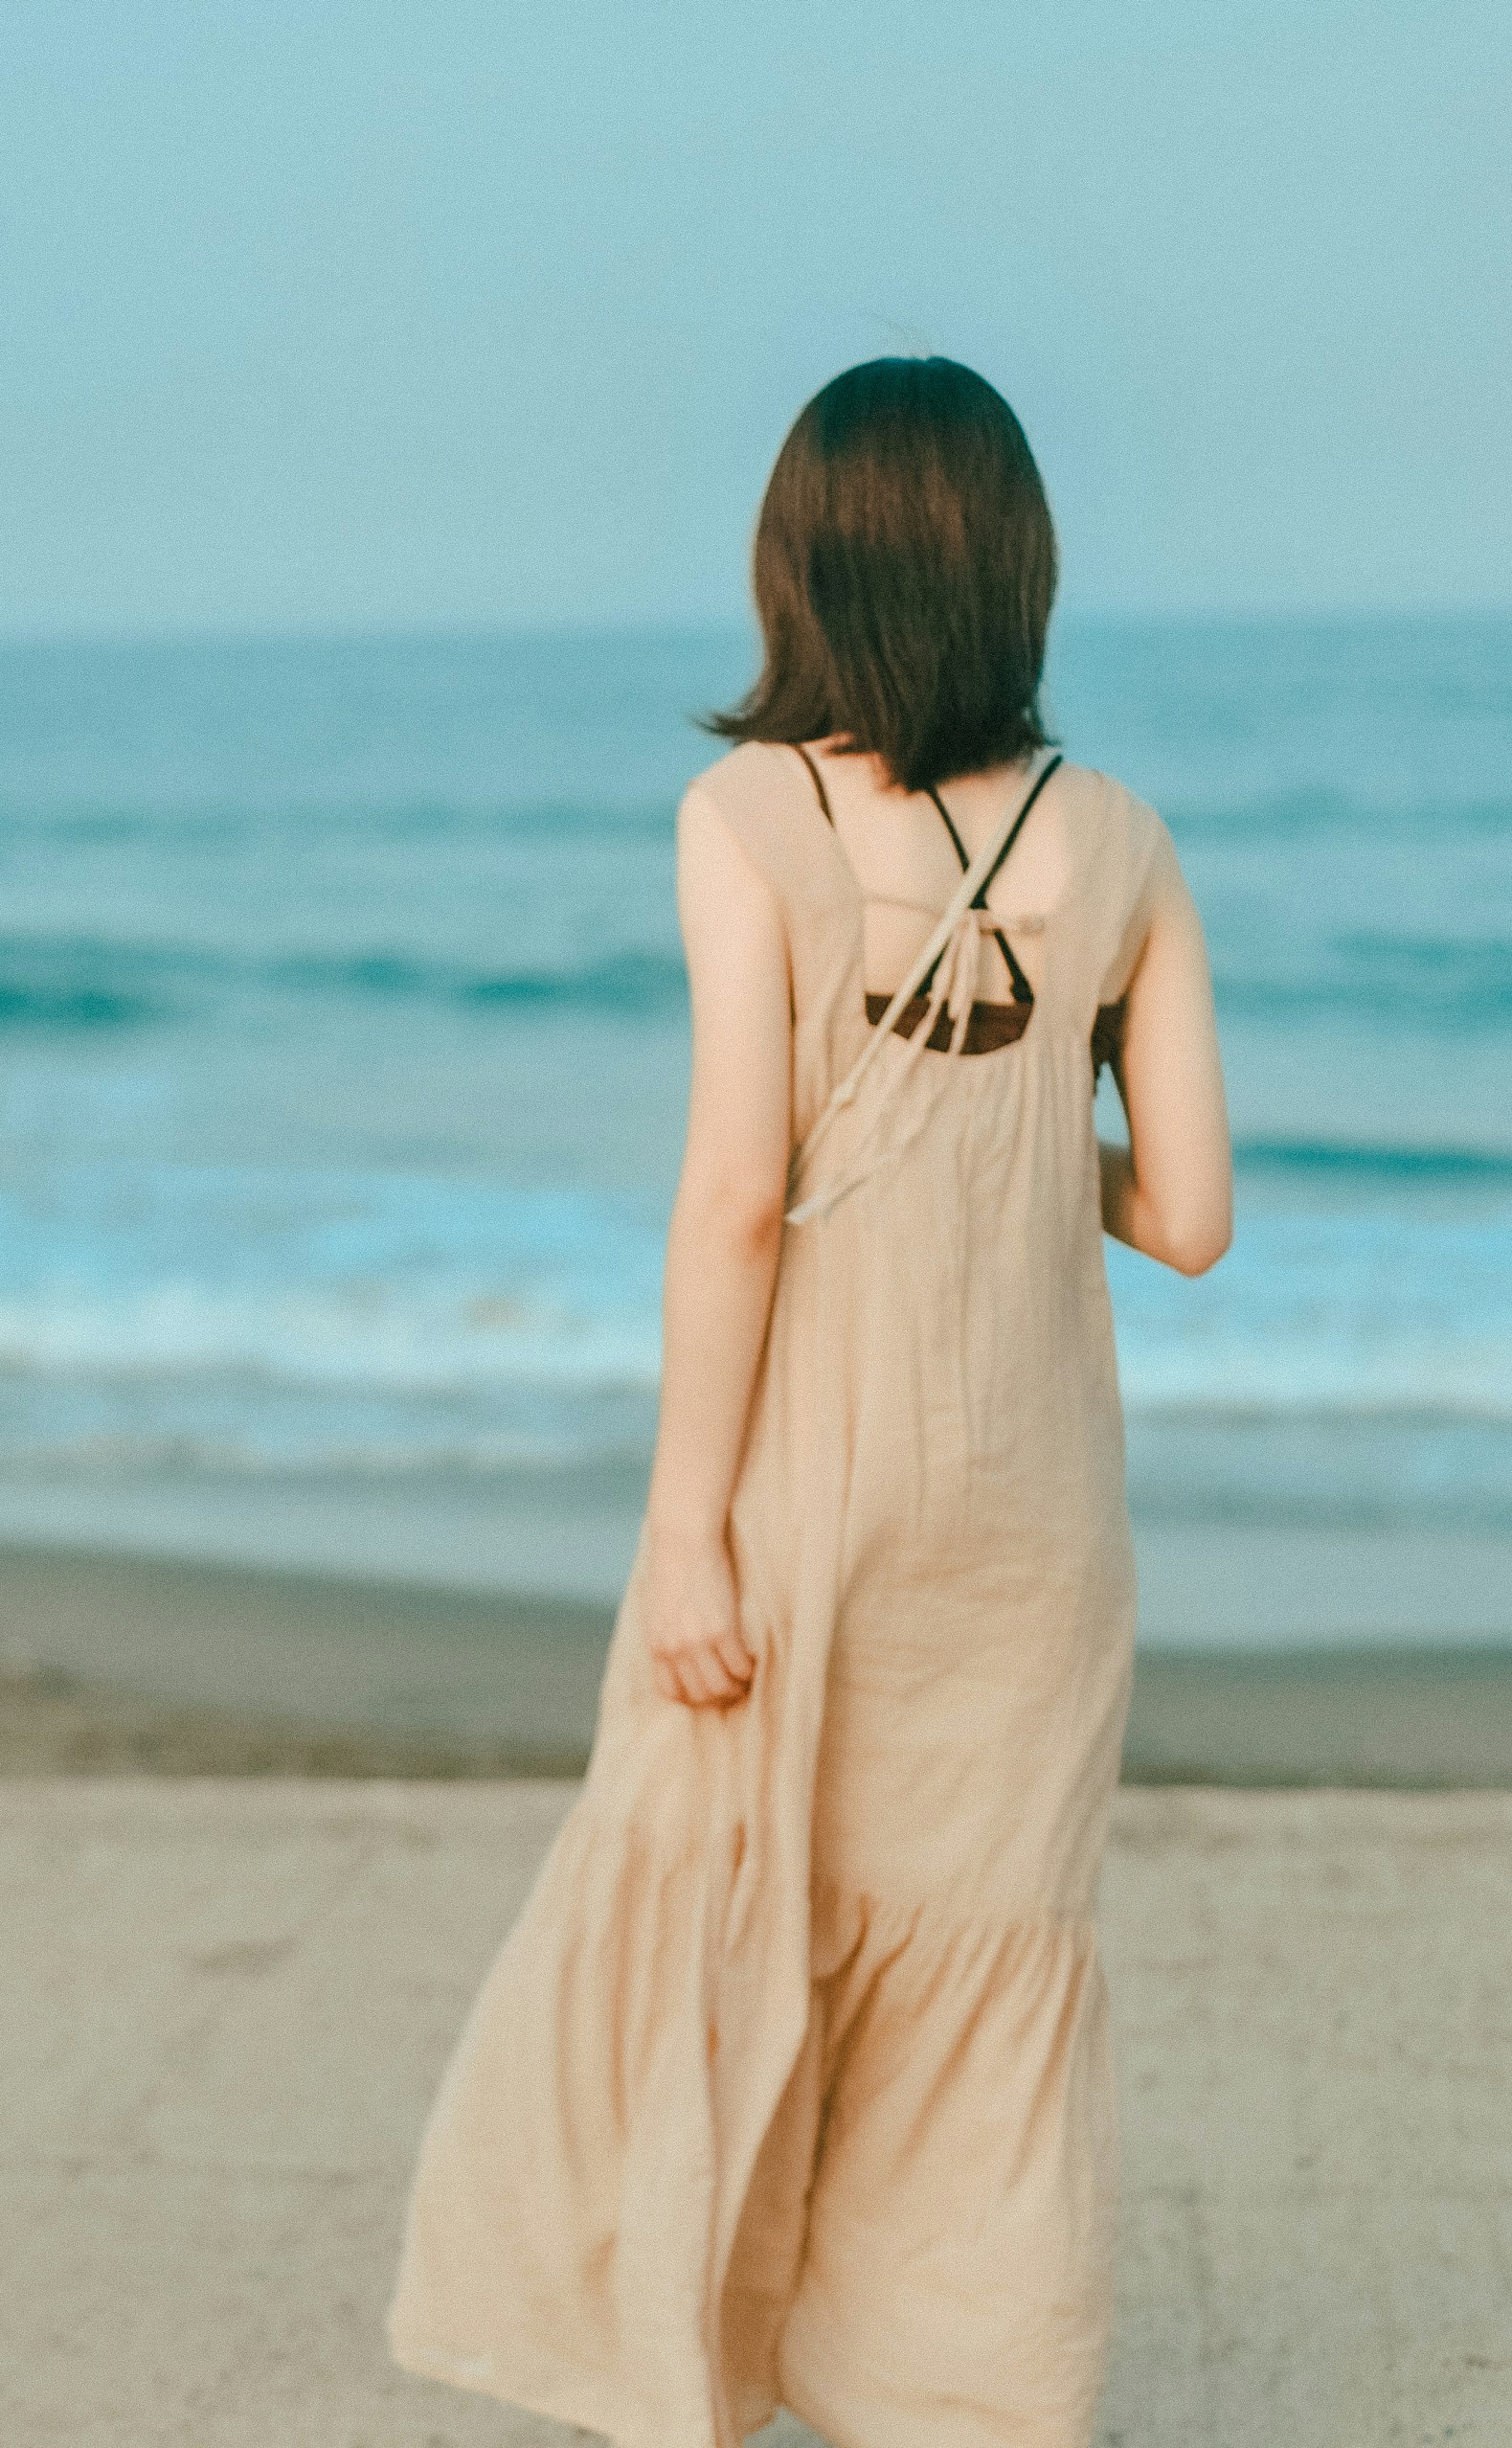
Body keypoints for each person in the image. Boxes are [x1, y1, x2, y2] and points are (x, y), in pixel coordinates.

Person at [389, 359, 1232, 2447]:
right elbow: (1195, 1218)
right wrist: (1040, 1142)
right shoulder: (1120, 840)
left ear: (804, 564)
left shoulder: (749, 817)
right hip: (1035, 1527)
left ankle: (701, 2372)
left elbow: (738, 1194)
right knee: (981, 1980)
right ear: (1015, 569)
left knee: (719, 1922)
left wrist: (685, 1527)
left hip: (808, 1492)